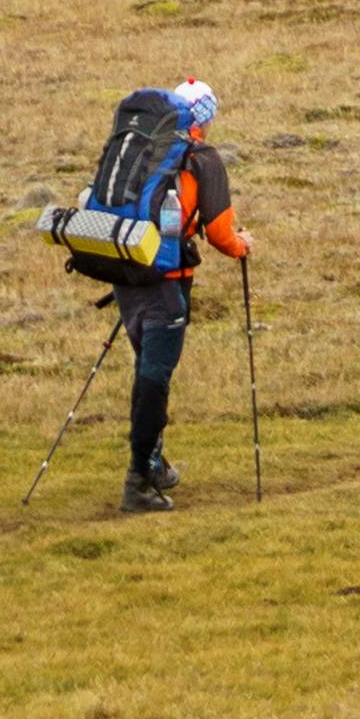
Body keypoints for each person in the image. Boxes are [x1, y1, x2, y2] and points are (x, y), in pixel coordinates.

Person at [117, 77, 250, 515]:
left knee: (146, 371)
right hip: (165, 281)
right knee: (155, 379)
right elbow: (220, 232)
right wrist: (242, 246)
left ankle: (154, 463)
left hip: (125, 272)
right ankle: (138, 480)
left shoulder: (141, 148)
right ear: (205, 119)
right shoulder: (202, 159)